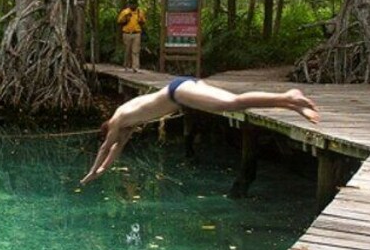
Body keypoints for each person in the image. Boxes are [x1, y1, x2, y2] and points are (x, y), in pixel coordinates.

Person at [80, 76, 320, 184]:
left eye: (113, 136)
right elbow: (115, 151)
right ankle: (292, 104)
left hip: (178, 93)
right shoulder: (126, 124)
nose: (118, 139)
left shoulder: (116, 120)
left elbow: (106, 148)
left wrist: (92, 172)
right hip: (181, 88)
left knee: (233, 104)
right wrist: (102, 171)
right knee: (234, 102)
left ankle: (288, 97)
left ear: (107, 129)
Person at [117, 0, 146, 72]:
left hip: (136, 33)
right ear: (129, 4)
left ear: (136, 4)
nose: (132, 5)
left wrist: (141, 21)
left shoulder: (139, 12)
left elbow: (143, 22)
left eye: (134, 4)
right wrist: (125, 18)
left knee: (135, 51)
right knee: (127, 51)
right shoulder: (125, 12)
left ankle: (135, 67)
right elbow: (119, 22)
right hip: (127, 33)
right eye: (131, 4)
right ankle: (126, 66)